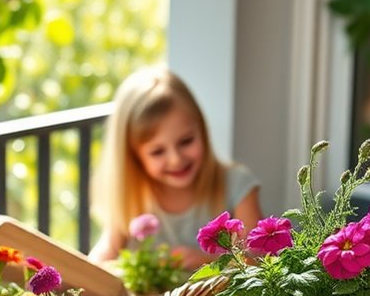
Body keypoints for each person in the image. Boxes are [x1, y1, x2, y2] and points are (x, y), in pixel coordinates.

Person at [88, 67, 262, 269]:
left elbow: (257, 263)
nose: (175, 159)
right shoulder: (131, 198)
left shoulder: (237, 185)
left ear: (202, 130)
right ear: (134, 156)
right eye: (157, 152)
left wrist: (207, 261)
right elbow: (101, 259)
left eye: (186, 141)